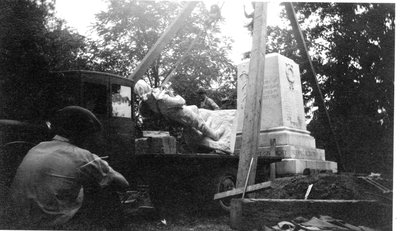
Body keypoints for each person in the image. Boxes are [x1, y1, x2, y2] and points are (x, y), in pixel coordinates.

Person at [10, 106, 130, 229]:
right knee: (108, 190)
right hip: (51, 223)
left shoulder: (37, 148)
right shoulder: (82, 156)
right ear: (83, 133)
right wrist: (101, 167)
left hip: (20, 220)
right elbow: (123, 184)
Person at [134, 80, 224, 141]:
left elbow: (145, 114)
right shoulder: (162, 99)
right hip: (180, 112)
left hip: (171, 117)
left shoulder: (146, 103)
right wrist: (171, 94)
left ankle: (203, 132)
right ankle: (215, 136)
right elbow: (181, 101)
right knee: (199, 123)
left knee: (195, 108)